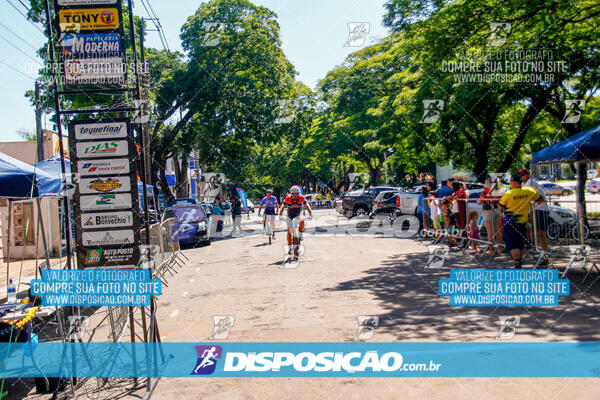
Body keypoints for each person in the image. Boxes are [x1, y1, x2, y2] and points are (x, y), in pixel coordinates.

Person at [498, 174, 543, 269]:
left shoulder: (508, 193)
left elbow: (500, 206)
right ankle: (519, 261)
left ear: (513, 182)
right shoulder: (529, 191)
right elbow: (540, 199)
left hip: (510, 223)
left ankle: (517, 263)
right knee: (520, 242)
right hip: (523, 222)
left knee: (513, 244)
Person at [519, 168, 549, 260]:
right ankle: (532, 245)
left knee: (541, 233)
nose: (521, 177)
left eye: (523, 175)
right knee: (529, 228)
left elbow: (541, 198)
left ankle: (545, 254)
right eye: (520, 175)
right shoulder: (523, 184)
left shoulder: (533, 183)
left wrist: (532, 200)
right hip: (532, 209)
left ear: (527, 175)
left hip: (541, 209)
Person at [478, 175, 504, 255]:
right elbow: (501, 200)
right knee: (498, 230)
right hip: (498, 210)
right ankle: (500, 247)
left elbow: (480, 201)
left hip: (488, 210)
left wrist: (480, 201)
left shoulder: (486, 190)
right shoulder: (498, 190)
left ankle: (491, 249)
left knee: (490, 231)